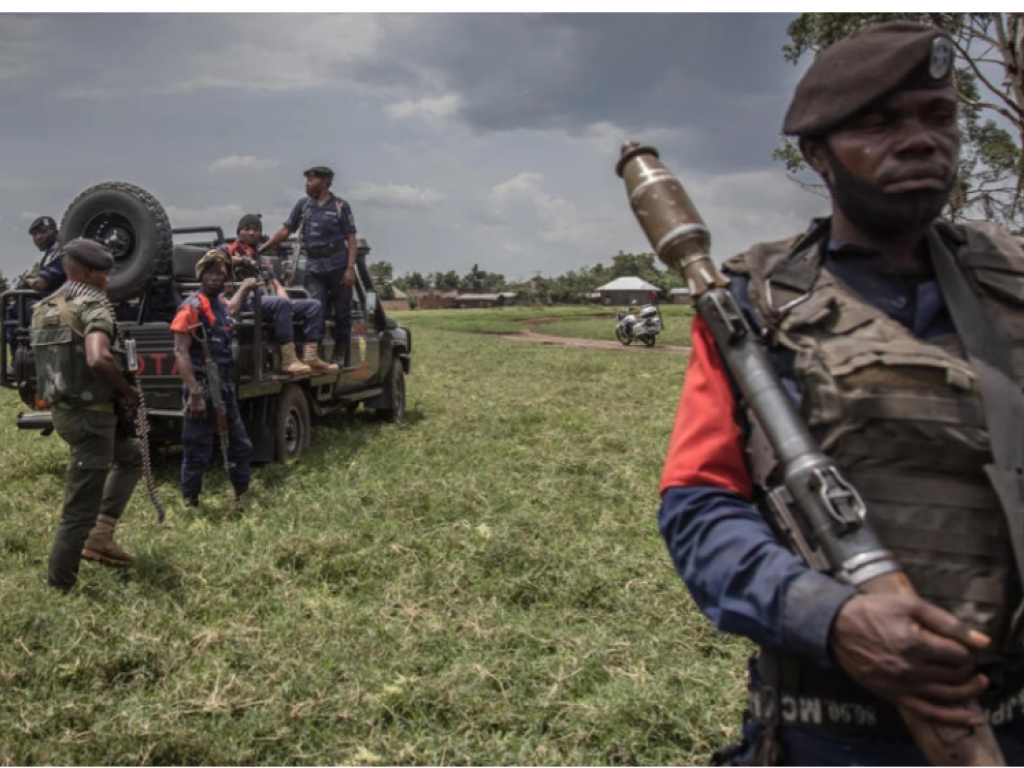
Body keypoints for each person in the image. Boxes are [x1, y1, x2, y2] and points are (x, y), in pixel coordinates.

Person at [658, 22, 1024, 765]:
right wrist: (830, 618)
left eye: (939, 116)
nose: (922, 140)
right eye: (880, 123)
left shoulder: (1013, 287)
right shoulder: (749, 307)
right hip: (831, 735)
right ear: (816, 154)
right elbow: (700, 506)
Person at [30, 238, 141, 591]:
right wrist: (126, 390)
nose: (109, 280)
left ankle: (102, 533)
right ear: (90, 272)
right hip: (92, 418)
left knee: (132, 456)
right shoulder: (94, 304)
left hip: (65, 413)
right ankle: (60, 586)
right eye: (105, 273)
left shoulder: (44, 306)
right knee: (79, 507)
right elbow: (97, 358)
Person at [170, 250, 252, 508]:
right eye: (211, 272)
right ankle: (190, 499)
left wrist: (247, 287)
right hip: (202, 385)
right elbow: (180, 350)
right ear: (201, 274)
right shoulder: (191, 306)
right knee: (197, 445)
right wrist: (194, 393)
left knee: (239, 443)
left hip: (225, 384)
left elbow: (233, 307)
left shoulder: (220, 304)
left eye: (221, 273)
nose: (215, 277)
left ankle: (242, 493)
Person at [257, 165, 358, 367]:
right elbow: (286, 230)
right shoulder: (303, 206)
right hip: (314, 266)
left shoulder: (340, 206)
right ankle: (315, 352)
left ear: (324, 182)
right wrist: (261, 249)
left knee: (342, 311)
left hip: (338, 264)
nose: (307, 184)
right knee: (315, 308)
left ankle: (340, 352)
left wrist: (350, 268)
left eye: (311, 180)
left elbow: (351, 238)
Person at [221, 213, 337, 376]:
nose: (252, 233)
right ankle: (288, 360)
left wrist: (286, 299)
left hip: (262, 301)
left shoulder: (259, 258)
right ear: (239, 231)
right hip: (242, 300)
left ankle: (311, 356)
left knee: (313, 306)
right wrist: (241, 261)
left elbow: (276, 284)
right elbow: (213, 258)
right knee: (279, 304)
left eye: (256, 229)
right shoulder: (227, 249)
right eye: (247, 229)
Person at [5, 216, 67, 365]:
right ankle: (23, 355)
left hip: (59, 305)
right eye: (34, 235)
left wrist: (29, 281)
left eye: (42, 232)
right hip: (54, 302)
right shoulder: (50, 253)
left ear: (56, 232)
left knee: (13, 307)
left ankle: (18, 358)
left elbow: (43, 285)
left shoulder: (60, 251)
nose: (38, 237)